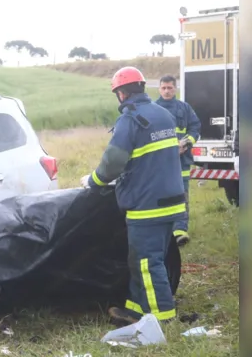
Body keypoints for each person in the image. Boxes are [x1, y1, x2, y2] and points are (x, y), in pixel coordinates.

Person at [80, 67, 187, 327]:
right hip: (171, 200)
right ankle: (136, 308)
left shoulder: (131, 119)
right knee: (147, 259)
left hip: (146, 204)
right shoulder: (163, 114)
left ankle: (160, 317)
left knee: (147, 264)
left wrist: (93, 181)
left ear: (121, 93)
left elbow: (114, 161)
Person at [154, 75, 201, 246]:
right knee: (160, 196)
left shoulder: (185, 108)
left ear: (175, 89)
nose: (167, 91)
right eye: (164, 88)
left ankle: (180, 230)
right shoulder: (153, 109)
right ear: (159, 89)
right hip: (160, 164)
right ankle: (163, 230)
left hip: (182, 162)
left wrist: (187, 142)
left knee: (182, 195)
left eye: (170, 88)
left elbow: (195, 127)